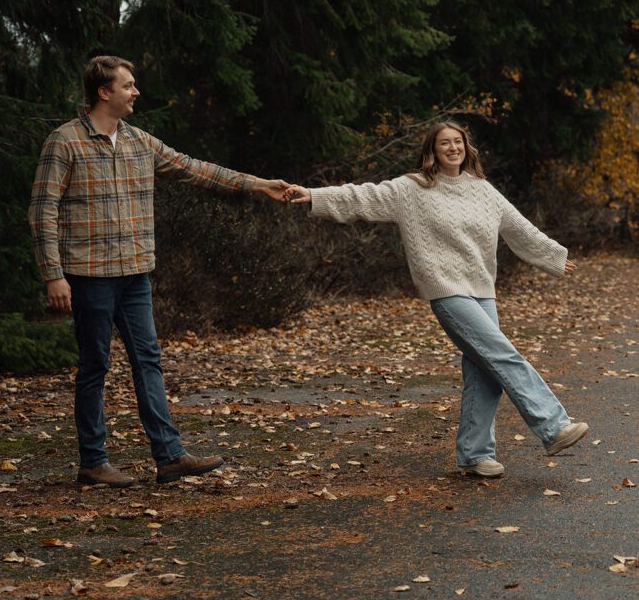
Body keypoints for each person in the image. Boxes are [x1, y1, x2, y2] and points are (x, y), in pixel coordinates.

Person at [29, 55, 290, 487]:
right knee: (95, 365)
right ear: (103, 92)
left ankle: (169, 457)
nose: (135, 92)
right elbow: (43, 211)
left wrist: (259, 184)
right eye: (128, 85)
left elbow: (196, 169)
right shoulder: (65, 142)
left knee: (148, 359)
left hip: (135, 274)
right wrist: (53, 274)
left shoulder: (140, 142)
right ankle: (93, 462)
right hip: (88, 275)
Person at [286, 121, 588, 478]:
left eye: (458, 142)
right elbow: (361, 197)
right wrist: (313, 195)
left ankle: (475, 454)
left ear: (466, 148)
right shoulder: (411, 188)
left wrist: (551, 255)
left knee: (486, 372)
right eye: (445, 143)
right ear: (433, 149)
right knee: (503, 356)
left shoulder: (483, 190)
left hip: (482, 290)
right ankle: (553, 427)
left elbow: (518, 227)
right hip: (446, 289)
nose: (452, 148)